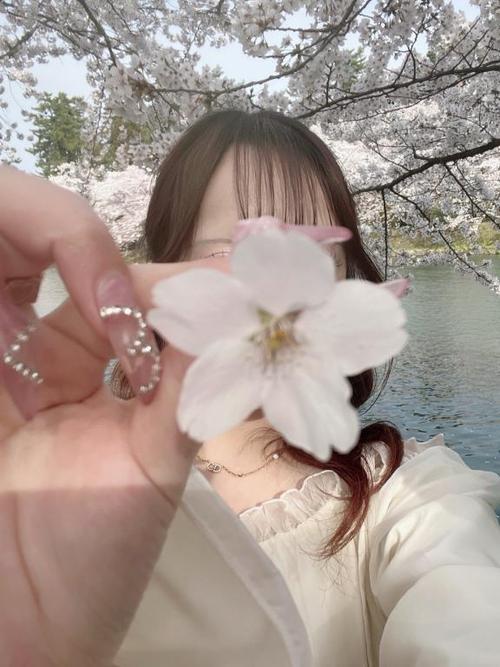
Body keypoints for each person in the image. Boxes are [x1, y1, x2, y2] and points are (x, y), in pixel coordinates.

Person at [0, 109, 499, 667]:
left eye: (310, 251)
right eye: (230, 251)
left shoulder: (400, 493)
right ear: (165, 267)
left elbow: (468, 614)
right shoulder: (68, 489)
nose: (269, 281)